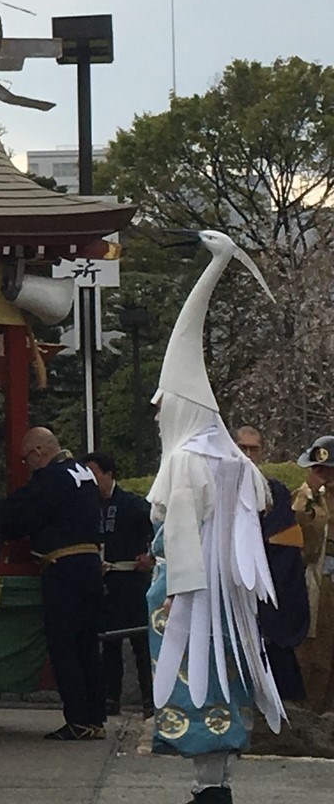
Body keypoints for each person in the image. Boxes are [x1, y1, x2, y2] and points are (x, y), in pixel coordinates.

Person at [146, 231, 284, 804]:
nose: (158, 415)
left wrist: (178, 591)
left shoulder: (184, 460)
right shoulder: (233, 458)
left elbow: (177, 529)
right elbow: (262, 504)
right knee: (228, 672)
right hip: (232, 590)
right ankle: (220, 781)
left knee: (191, 675)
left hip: (193, 591)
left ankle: (206, 786)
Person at [2, 428, 105, 740]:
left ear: (38, 452)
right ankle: (95, 718)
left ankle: (77, 718)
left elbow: (22, 516)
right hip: (90, 564)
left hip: (64, 567)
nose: (27, 465)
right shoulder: (84, 474)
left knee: (65, 645)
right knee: (89, 644)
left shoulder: (51, 478)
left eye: (26, 459)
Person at [237, 426, 309, 704]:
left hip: (267, 581)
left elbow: (284, 543)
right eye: (242, 448)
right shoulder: (216, 489)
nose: (248, 454)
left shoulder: (274, 492)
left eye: (253, 449)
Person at [82, 450, 154, 717]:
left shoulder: (133, 504)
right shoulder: (86, 505)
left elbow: (159, 526)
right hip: (103, 581)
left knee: (140, 641)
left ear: (109, 474)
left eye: (94, 474)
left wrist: (152, 557)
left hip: (132, 581)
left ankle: (150, 699)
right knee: (108, 643)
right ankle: (111, 698)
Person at [293, 434, 334, 713]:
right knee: (316, 651)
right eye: (318, 469)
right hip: (321, 577)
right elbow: (299, 524)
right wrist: (310, 489)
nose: (324, 475)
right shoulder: (307, 498)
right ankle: (313, 713)